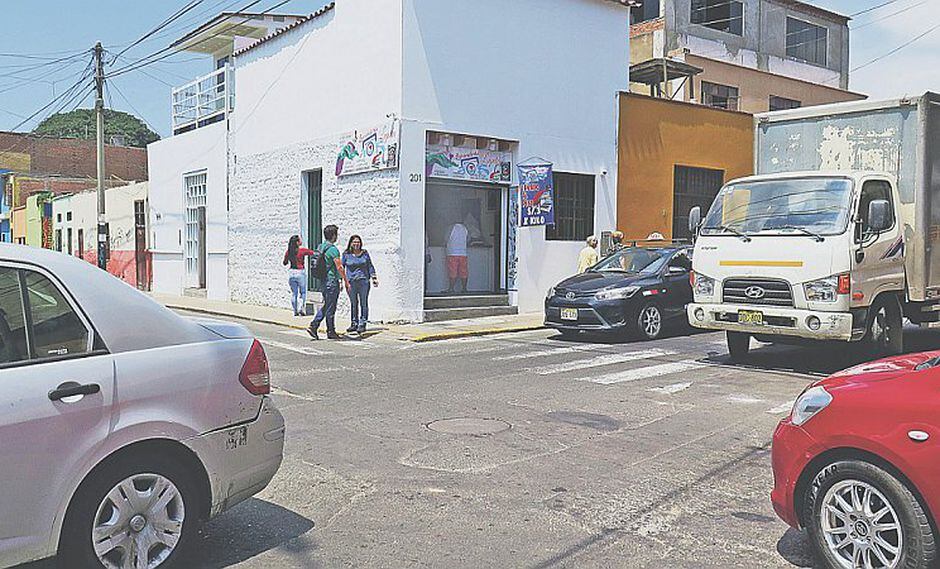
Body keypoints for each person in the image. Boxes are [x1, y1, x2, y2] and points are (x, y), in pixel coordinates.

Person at [307, 225, 351, 340]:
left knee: (327, 304)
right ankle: (325, 329)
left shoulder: (320, 247)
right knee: (331, 306)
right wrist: (345, 281)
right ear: (334, 235)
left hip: (323, 280)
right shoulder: (333, 249)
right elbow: (339, 267)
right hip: (331, 281)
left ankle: (317, 326)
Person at [342, 235, 378, 336]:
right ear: (351, 243)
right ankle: (354, 323)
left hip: (363, 281)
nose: (356, 244)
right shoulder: (346, 254)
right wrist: (341, 281)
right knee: (354, 303)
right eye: (354, 242)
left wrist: (374, 277)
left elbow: (370, 265)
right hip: (351, 282)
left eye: (358, 242)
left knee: (363, 303)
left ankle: (362, 323)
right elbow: (342, 267)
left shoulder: (364, 253)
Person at [283, 235, 317, 316]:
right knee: (303, 292)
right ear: (297, 243)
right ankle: (301, 308)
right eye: (300, 240)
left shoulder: (288, 252)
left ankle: (295, 311)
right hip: (300, 272)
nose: (301, 241)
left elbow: (285, 263)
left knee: (294, 293)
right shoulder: (302, 251)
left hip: (291, 272)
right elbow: (313, 253)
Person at [446, 221, 469, 293]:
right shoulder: (465, 228)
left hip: (452, 252)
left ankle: (451, 288)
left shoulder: (451, 227)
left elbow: (446, 238)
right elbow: (468, 239)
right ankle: (464, 288)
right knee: (464, 271)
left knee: (453, 271)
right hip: (463, 253)